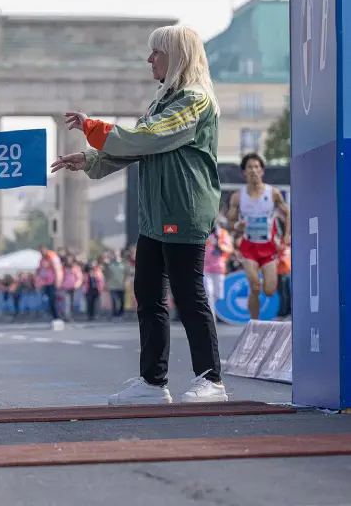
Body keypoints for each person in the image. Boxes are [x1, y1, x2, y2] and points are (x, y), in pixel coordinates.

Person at [52, 23, 226, 404]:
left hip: (183, 207)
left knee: (188, 293)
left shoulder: (195, 99)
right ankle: (152, 382)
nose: (149, 60)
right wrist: (91, 159)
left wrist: (94, 128)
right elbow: (139, 146)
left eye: (156, 53)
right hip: (155, 212)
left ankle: (211, 379)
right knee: (148, 295)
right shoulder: (163, 101)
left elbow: (150, 138)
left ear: (176, 56)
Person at [225, 152, 290, 320]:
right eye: (249, 167)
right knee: (254, 287)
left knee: (269, 291)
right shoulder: (238, 197)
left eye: (256, 167)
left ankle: (263, 286)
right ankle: (254, 323)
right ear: (244, 172)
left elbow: (288, 213)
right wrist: (238, 227)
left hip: (269, 248)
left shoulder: (273, 193)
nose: (253, 170)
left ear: (262, 171)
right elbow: (229, 225)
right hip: (249, 248)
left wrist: (287, 236)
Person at [202, 219, 234, 307]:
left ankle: (213, 310)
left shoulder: (223, 233)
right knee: (208, 293)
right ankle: (211, 316)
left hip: (219, 268)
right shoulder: (204, 233)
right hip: (205, 267)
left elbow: (230, 249)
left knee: (218, 295)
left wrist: (220, 245)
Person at [36, 246, 63, 325]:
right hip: (45, 283)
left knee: (53, 300)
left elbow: (58, 270)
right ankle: (54, 317)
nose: (41, 253)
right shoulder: (41, 260)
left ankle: (57, 316)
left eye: (42, 251)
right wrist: (39, 283)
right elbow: (40, 272)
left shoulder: (52, 257)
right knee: (48, 300)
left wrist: (58, 281)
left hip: (52, 282)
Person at [105, 251, 127, 319]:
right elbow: (106, 274)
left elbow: (127, 274)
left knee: (122, 301)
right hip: (112, 286)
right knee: (114, 301)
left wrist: (126, 282)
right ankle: (114, 314)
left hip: (121, 285)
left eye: (116, 254)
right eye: (114, 255)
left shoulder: (124, 264)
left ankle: (121, 313)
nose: (115, 256)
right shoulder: (110, 264)